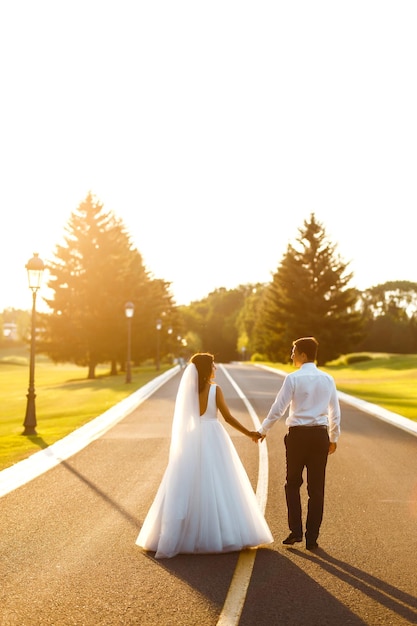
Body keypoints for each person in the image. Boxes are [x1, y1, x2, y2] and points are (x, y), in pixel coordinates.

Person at [136, 352, 273, 558]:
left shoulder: (188, 392)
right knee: (219, 482)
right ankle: (220, 533)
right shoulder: (215, 390)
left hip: (192, 437)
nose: (215, 368)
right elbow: (228, 417)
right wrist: (250, 433)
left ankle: (178, 534)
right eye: (213, 365)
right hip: (214, 435)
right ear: (207, 369)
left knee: (186, 484)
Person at [258, 337, 340, 550]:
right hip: (319, 436)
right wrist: (334, 438)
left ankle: (295, 531)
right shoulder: (328, 379)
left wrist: (263, 430)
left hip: (297, 437)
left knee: (292, 483)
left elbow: (279, 408)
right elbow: (335, 412)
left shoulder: (293, 378)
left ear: (303, 354)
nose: (291, 354)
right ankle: (312, 537)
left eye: (294, 351)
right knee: (317, 488)